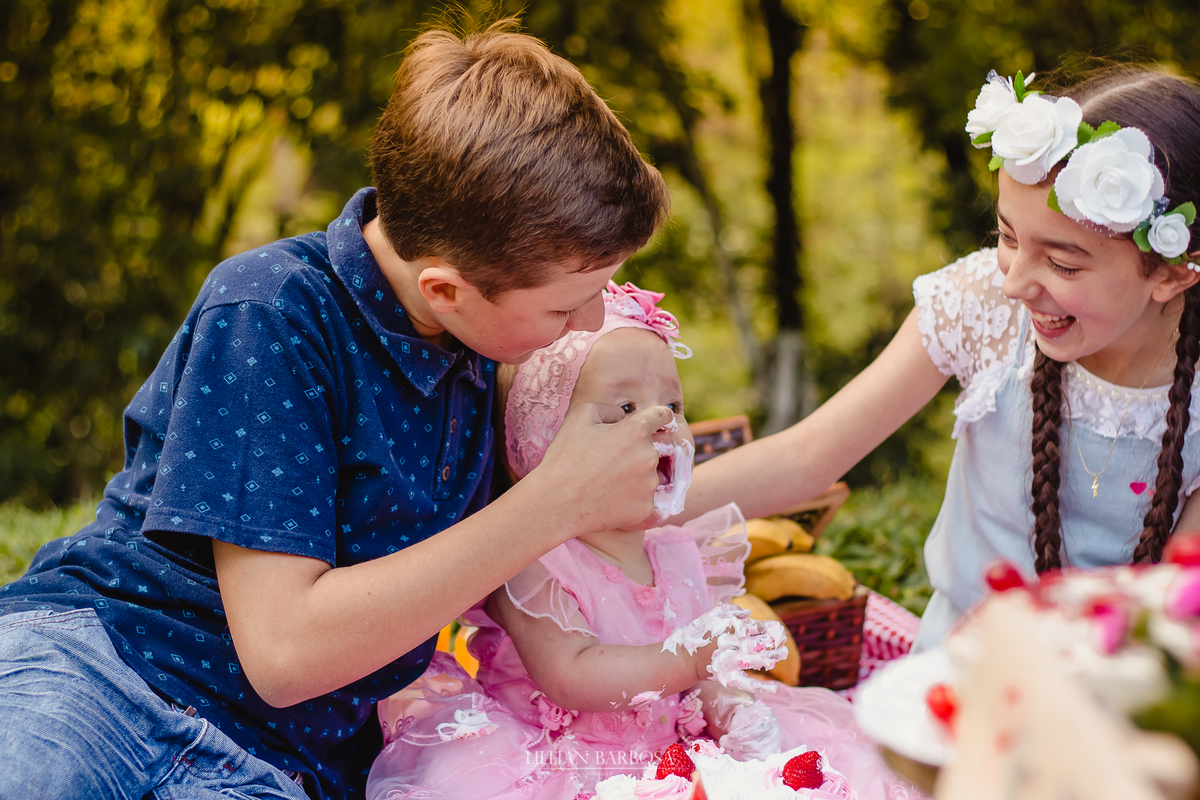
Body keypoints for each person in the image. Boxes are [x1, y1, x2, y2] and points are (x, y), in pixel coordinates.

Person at [0, 22, 680, 800]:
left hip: (276, 767)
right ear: (446, 290)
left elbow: (689, 487)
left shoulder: (486, 358)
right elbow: (285, 653)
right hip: (103, 676)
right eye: (567, 306)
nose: (593, 322)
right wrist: (557, 499)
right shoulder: (272, 309)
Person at [680, 65, 1200, 650]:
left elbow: (1178, 608)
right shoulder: (980, 307)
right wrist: (626, 511)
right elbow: (808, 456)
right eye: (1007, 237)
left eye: (1064, 264)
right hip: (947, 683)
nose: (1015, 284)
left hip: (1116, 698)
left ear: (1173, 271)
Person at [365, 281, 917, 800]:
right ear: (542, 443)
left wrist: (732, 707)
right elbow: (571, 674)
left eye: (672, 407)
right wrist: (685, 659)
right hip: (568, 760)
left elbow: (698, 679)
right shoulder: (534, 559)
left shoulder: (676, 547)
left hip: (671, 755)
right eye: (625, 409)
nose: (660, 423)